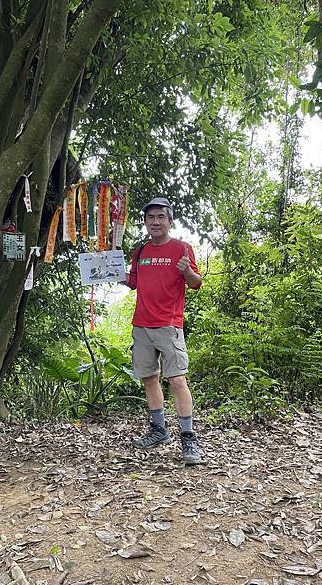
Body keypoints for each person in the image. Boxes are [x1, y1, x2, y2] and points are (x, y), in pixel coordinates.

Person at [125, 197, 203, 465]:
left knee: (177, 380)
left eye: (161, 217)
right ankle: (159, 430)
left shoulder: (182, 249)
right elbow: (132, 282)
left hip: (169, 325)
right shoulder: (141, 251)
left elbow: (195, 283)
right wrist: (105, 270)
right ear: (145, 223)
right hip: (141, 325)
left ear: (170, 221)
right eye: (150, 218)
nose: (155, 222)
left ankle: (188, 438)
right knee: (149, 378)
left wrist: (187, 272)